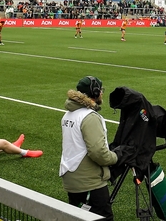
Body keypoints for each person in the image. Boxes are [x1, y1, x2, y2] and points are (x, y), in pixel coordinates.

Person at [60, 76, 118, 221]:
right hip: (89, 182)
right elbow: (98, 152)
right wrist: (115, 157)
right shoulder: (90, 117)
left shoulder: (68, 114)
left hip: (71, 178)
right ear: (96, 92)